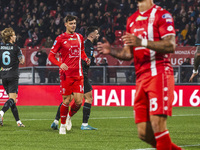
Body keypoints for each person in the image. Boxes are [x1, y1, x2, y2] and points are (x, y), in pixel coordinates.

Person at [97, 0, 183, 149]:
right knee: (143, 133)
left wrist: (141, 42)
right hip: (141, 77)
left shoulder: (162, 15)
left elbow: (170, 45)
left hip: (159, 72)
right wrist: (111, 51)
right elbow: (127, 53)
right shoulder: (132, 19)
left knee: (157, 124)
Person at [51, 26, 99, 130]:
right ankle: (84, 124)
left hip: (79, 73)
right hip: (79, 73)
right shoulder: (86, 44)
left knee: (69, 99)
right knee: (88, 98)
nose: (98, 35)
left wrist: (88, 59)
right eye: (97, 33)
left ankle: (56, 121)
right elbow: (79, 58)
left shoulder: (85, 43)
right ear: (92, 35)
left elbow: (83, 56)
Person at [48, 15, 90, 134]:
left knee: (78, 102)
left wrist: (86, 58)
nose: (73, 26)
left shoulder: (79, 37)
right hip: (66, 75)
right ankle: (62, 126)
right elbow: (51, 56)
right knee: (66, 101)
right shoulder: (60, 38)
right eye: (71, 23)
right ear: (65, 24)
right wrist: (60, 64)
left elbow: (81, 51)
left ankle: (68, 116)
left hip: (78, 74)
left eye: (74, 23)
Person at [0, 27, 25, 127]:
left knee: (11, 100)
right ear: (10, 37)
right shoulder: (16, 48)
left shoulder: (0, 48)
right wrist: (21, 55)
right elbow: (22, 61)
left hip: (3, 76)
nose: (15, 37)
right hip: (13, 75)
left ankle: (18, 122)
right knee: (13, 99)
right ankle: (1, 113)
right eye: (14, 35)